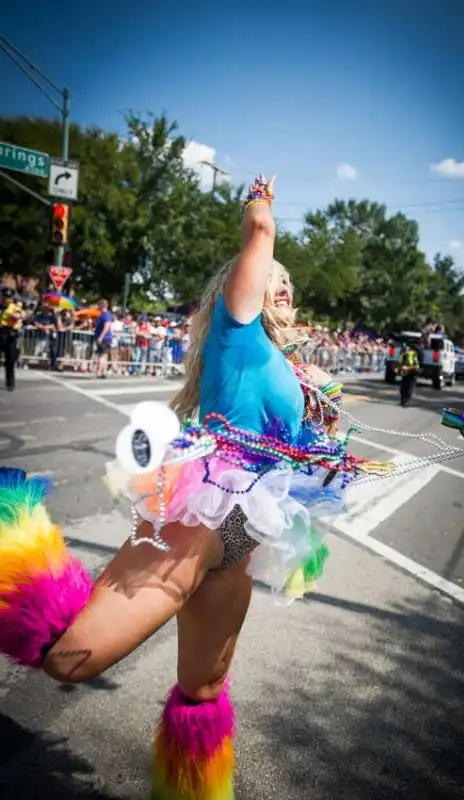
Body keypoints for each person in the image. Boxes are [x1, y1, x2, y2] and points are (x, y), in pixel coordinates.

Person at [0, 175, 376, 798]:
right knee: (71, 661)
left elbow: (309, 460)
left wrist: (327, 439)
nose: (281, 283)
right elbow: (259, 233)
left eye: (287, 281)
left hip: (244, 538)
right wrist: (261, 199)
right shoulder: (239, 332)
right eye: (270, 275)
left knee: (204, 691)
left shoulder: (296, 370)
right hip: (201, 515)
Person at [0, 287, 22, 391]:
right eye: (4, 297)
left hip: (10, 334)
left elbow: (18, 316)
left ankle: (10, 383)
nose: (6, 299)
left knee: (10, 361)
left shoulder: (14, 307)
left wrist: (8, 313)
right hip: (1, 333)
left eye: (8, 297)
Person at [94, 299, 113, 378]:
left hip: (104, 338)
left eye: (98, 305)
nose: (97, 307)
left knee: (101, 355)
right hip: (104, 338)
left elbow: (107, 326)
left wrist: (101, 337)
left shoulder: (106, 314)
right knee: (103, 355)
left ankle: (100, 372)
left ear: (101, 306)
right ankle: (103, 372)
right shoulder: (103, 314)